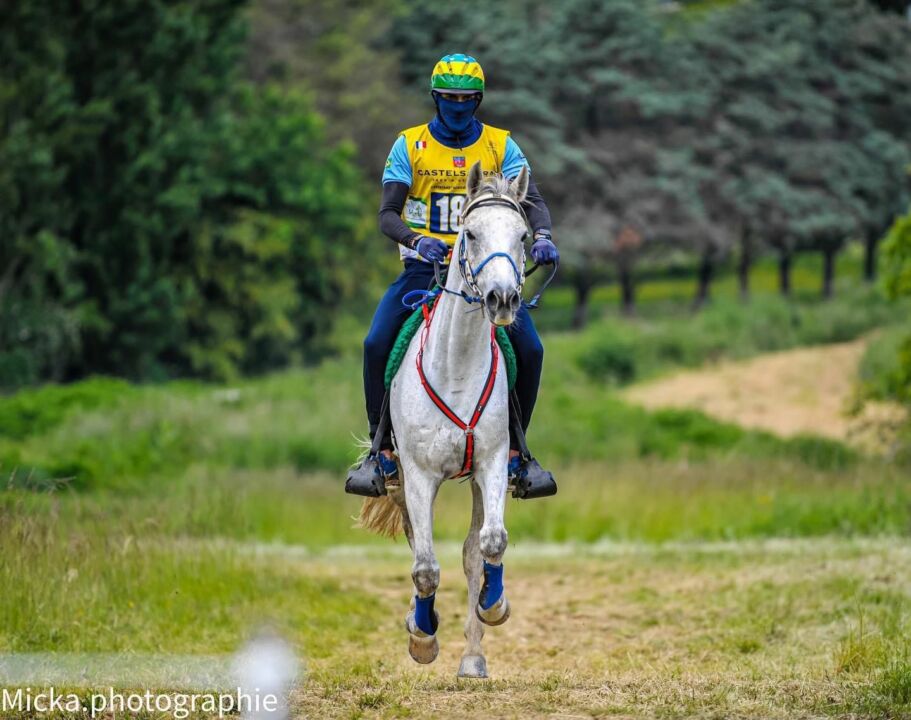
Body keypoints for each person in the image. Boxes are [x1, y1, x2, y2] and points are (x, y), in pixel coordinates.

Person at [346, 53, 558, 498]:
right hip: (427, 268)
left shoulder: (502, 145)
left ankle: (518, 453)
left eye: (466, 99)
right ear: (435, 99)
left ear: (478, 100)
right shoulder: (410, 144)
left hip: (483, 270)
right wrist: (415, 239)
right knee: (376, 342)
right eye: (448, 99)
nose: (458, 107)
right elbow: (387, 214)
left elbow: (533, 199)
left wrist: (542, 235)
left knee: (531, 348)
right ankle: (380, 449)